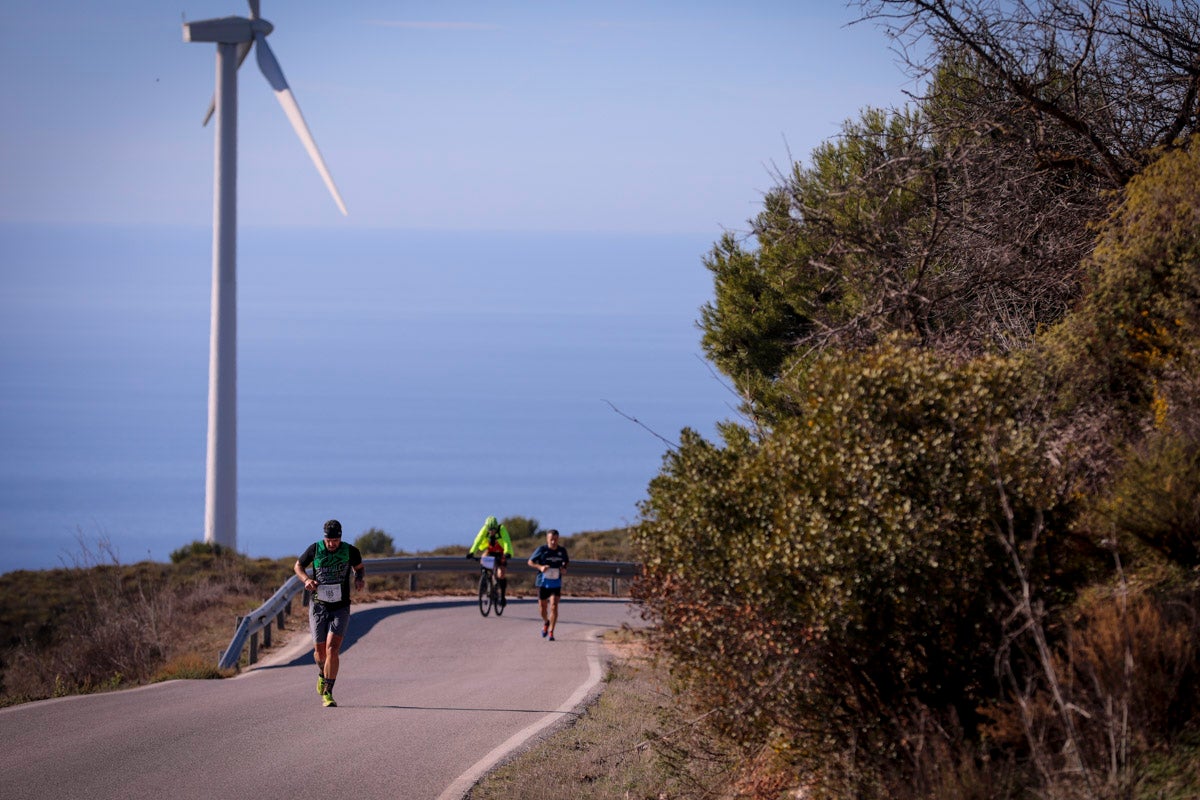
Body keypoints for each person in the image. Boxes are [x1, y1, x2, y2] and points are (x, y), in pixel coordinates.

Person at [294, 519, 365, 707]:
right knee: (319, 653)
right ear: (324, 538)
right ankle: (322, 673)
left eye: (335, 540)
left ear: (340, 537)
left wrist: (359, 579)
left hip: (341, 607)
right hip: (318, 606)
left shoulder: (351, 551)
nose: (332, 544)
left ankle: (328, 692)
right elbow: (298, 566)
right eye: (329, 541)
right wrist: (306, 580)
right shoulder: (315, 549)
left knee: (332, 649)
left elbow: (359, 568)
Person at [527, 528, 569, 641]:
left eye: (555, 540)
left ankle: (551, 632)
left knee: (554, 606)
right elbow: (530, 562)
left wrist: (564, 568)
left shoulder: (562, 551)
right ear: (547, 539)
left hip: (556, 582)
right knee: (542, 607)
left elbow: (566, 561)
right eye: (551, 540)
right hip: (543, 582)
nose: (553, 542)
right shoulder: (542, 550)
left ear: (558, 539)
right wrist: (540, 567)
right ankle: (546, 622)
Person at [466, 515, 514, 606]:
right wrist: (471, 552)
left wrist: (507, 553)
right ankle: (485, 579)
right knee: (483, 559)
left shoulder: (502, 529)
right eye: (489, 530)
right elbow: (478, 540)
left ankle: (502, 596)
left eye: (493, 530)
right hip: (490, 550)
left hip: (501, 551)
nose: (491, 532)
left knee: (501, 574)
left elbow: (507, 541)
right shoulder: (485, 529)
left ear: (496, 528)